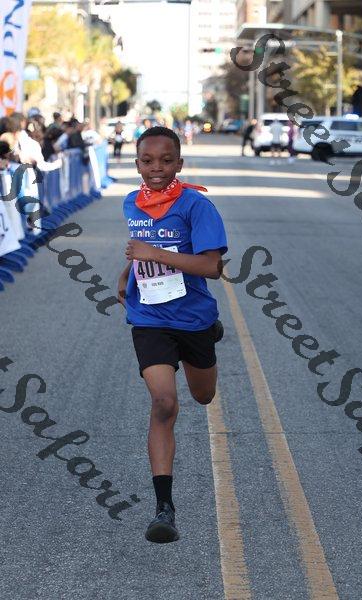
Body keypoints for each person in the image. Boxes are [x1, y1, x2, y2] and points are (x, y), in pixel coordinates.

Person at [118, 126, 227, 544]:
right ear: (137, 164)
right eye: (147, 161)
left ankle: (211, 333)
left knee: (204, 396)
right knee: (164, 403)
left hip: (193, 318)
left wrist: (154, 254)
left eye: (166, 161)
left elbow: (212, 267)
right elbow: (139, 246)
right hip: (148, 316)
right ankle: (164, 508)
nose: (157, 168)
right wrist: (127, 273)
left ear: (179, 163)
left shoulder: (196, 205)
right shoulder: (132, 202)